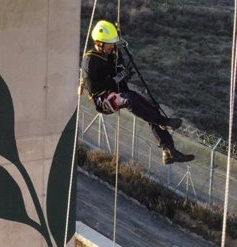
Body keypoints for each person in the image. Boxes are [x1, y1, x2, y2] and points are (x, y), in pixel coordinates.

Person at [81, 20, 194, 165]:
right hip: (103, 99)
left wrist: (123, 73)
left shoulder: (113, 54)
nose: (112, 46)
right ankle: (163, 122)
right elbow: (92, 88)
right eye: (110, 43)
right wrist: (116, 79)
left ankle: (168, 149)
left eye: (113, 43)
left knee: (150, 107)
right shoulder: (90, 59)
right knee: (130, 99)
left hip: (119, 91)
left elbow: (120, 69)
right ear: (99, 42)